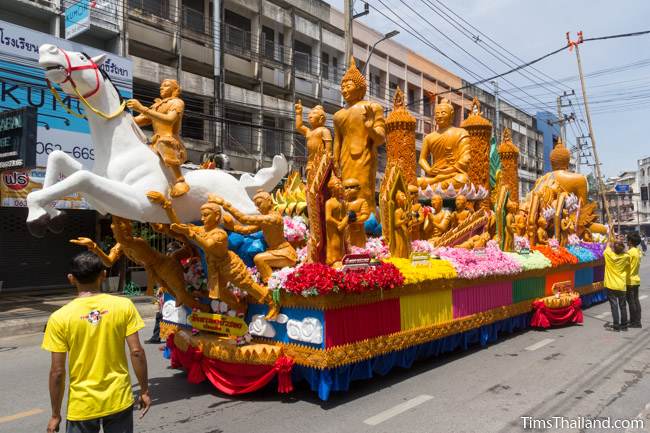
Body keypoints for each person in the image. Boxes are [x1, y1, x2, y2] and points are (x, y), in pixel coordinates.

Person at [42, 252, 150, 433]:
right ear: (103, 275)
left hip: (82, 405)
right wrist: (144, 390)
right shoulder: (124, 306)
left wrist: (55, 414)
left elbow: (57, 372)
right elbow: (137, 351)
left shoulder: (59, 318)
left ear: (71, 279)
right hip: (119, 399)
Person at [127, 79, 189, 197]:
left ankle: (180, 180)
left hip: (171, 142)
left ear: (175, 89)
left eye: (166, 86)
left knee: (163, 142)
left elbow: (170, 120)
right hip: (154, 143)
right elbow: (136, 121)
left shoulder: (177, 102)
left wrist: (142, 108)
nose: (161, 88)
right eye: (161, 86)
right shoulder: (156, 106)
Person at [603, 239, 630, 332]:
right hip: (621, 285)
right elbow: (626, 254)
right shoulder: (626, 257)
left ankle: (616, 326)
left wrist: (610, 232)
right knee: (623, 306)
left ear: (613, 248)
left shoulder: (609, 254)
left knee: (614, 306)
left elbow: (607, 244)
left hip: (611, 285)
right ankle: (624, 326)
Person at [626, 232, 643, 328]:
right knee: (636, 301)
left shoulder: (630, 252)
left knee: (631, 302)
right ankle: (637, 320)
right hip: (636, 278)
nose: (626, 242)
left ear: (630, 241)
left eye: (627, 240)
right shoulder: (637, 251)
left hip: (630, 280)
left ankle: (635, 322)